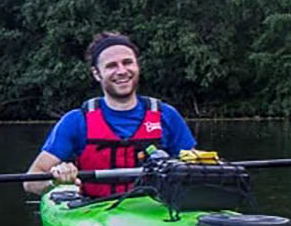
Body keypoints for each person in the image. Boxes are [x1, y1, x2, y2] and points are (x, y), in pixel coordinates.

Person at [24, 32, 197, 197]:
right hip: (93, 210)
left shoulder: (167, 116)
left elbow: (195, 172)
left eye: (127, 62)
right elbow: (31, 182)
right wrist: (56, 182)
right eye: (111, 66)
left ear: (137, 66)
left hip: (156, 212)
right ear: (97, 74)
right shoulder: (75, 122)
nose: (122, 71)